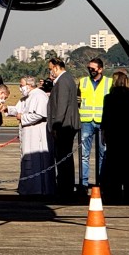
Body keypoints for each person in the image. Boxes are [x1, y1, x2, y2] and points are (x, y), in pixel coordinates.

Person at [99, 69, 129, 203]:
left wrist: (104, 133)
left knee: (113, 165)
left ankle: (113, 192)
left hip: (114, 135)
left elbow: (106, 118)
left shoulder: (109, 97)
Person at [11, 76, 55, 196]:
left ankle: (38, 189)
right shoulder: (27, 97)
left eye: (22, 85)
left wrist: (23, 117)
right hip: (28, 134)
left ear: (29, 85)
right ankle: (28, 188)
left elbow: (39, 115)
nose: (20, 88)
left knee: (36, 162)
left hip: (37, 134)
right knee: (27, 161)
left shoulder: (39, 96)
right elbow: (17, 109)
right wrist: (6, 109)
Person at [46, 57, 80, 200]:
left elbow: (62, 106)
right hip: (66, 124)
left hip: (64, 126)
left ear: (56, 67)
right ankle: (65, 186)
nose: (50, 72)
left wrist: (57, 125)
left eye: (50, 68)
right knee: (64, 157)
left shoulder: (64, 81)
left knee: (63, 157)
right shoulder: (65, 79)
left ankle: (65, 187)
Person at [78, 57, 109, 190]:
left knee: (103, 154)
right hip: (86, 121)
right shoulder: (82, 82)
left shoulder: (109, 83)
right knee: (84, 154)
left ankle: (102, 181)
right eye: (89, 68)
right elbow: (78, 100)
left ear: (100, 69)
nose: (90, 71)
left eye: (93, 69)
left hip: (102, 122)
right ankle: (84, 183)